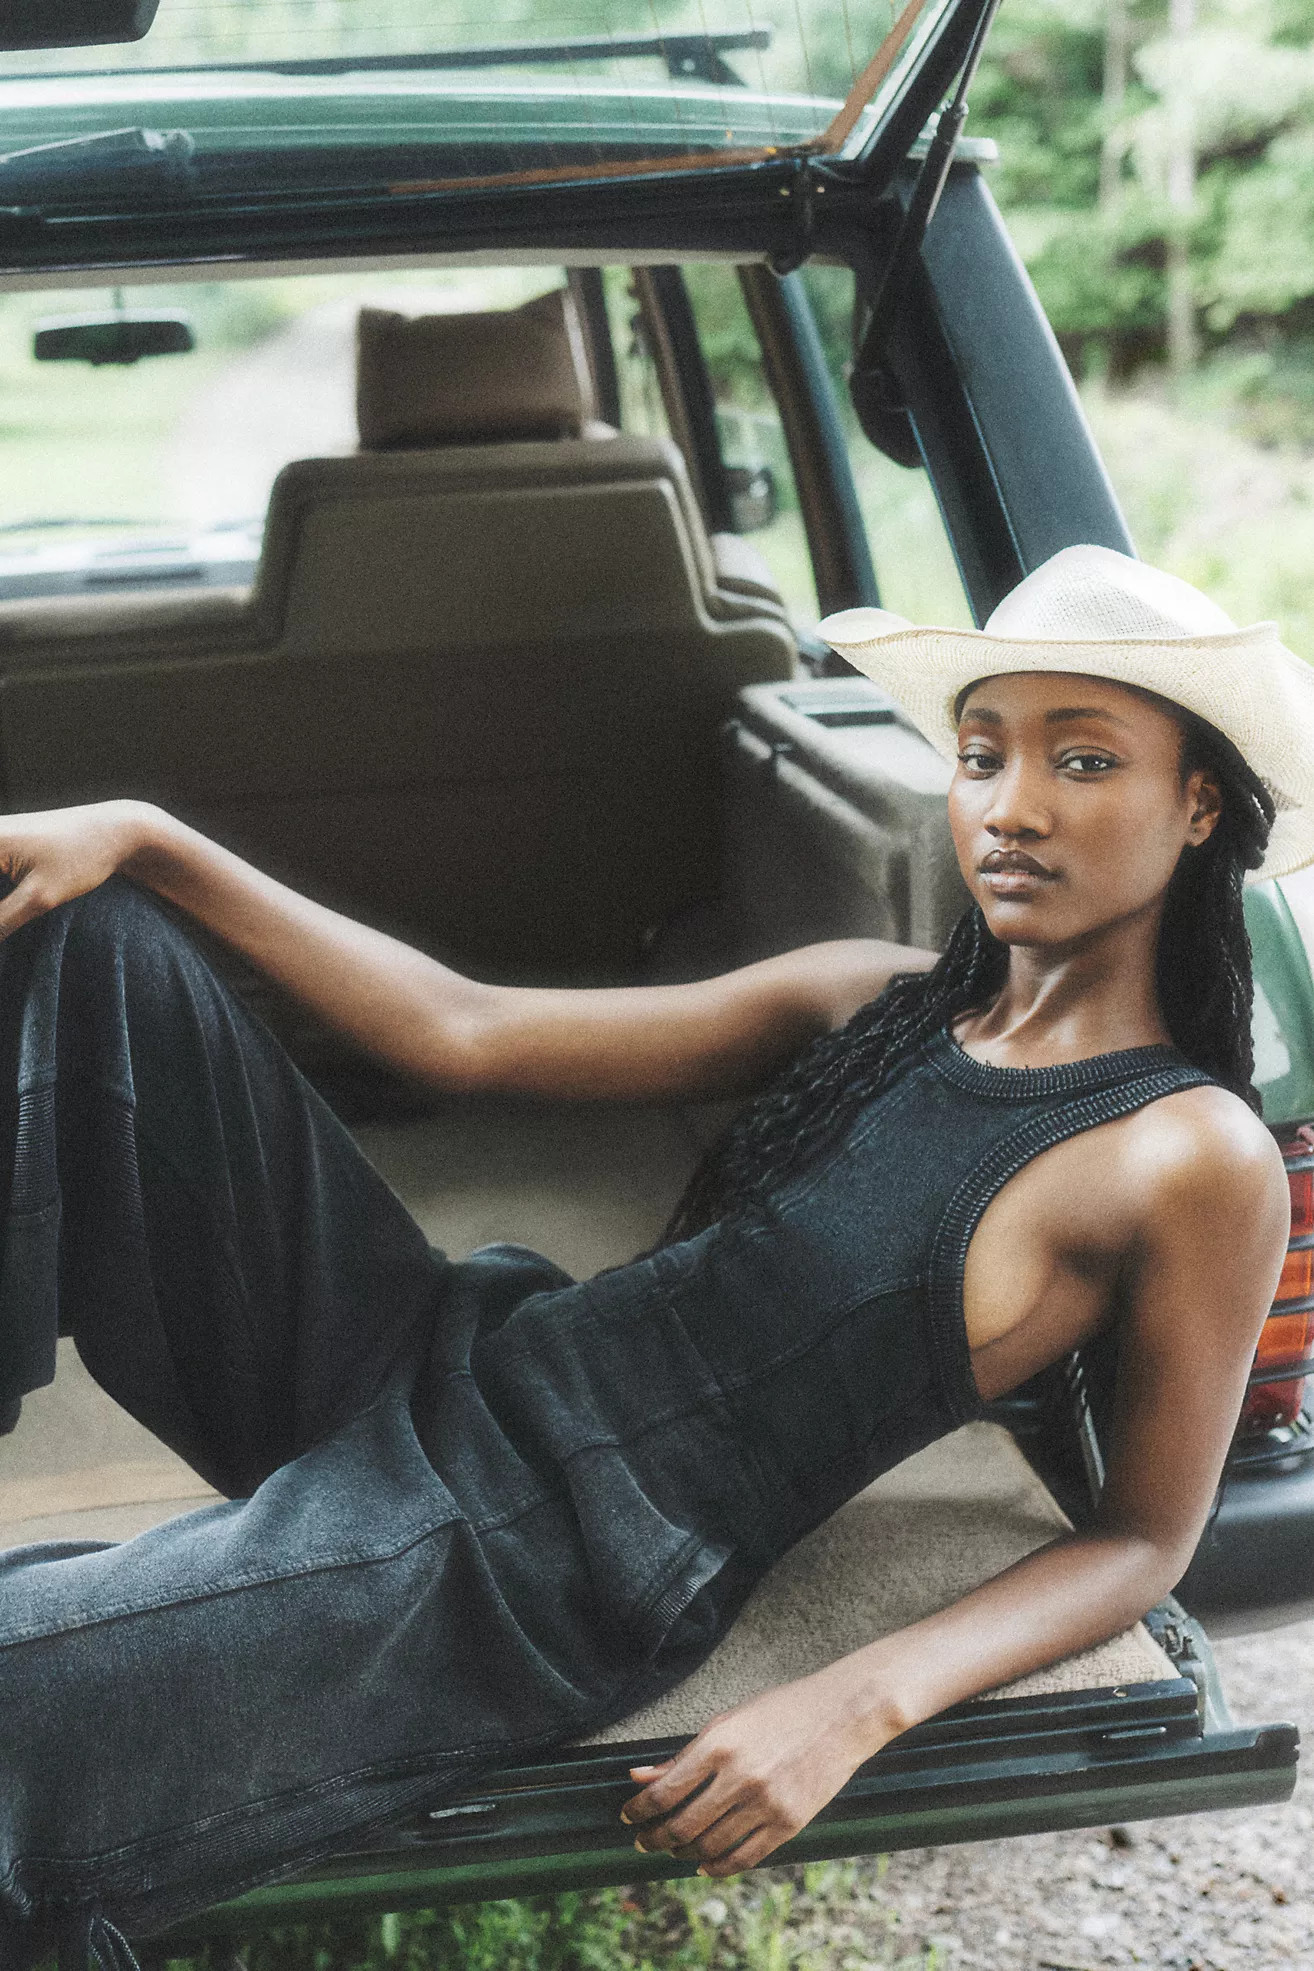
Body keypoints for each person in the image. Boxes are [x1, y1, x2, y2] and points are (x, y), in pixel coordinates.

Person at [0, 543, 1301, 1961]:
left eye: (1084, 761)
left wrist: (852, 1705)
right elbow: (464, 1030)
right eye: (982, 757)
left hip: (525, 1563)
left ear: (1198, 805)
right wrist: (151, 837)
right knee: (99, 936)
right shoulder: (871, 999)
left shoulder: (1187, 1156)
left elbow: (1140, 1541)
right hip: (451, 1362)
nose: (1011, 807)